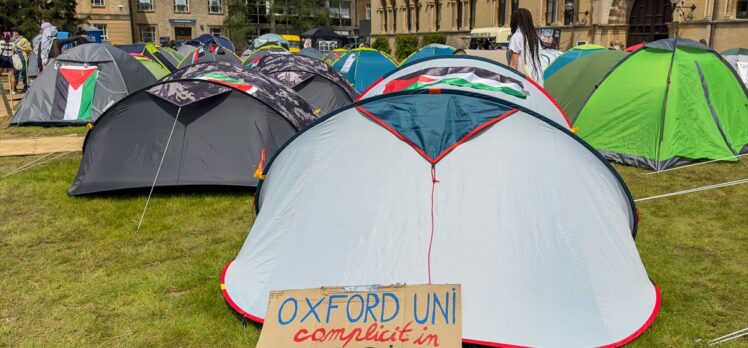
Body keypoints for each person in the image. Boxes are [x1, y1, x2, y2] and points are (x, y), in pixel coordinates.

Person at [508, 8, 544, 85]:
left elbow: (514, 64)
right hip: (537, 80)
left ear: (514, 21)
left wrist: (508, 83)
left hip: (523, 81)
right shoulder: (535, 38)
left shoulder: (516, 37)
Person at [12, 27, 32, 92]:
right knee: (15, 73)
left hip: (22, 57)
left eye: (14, 32)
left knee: (24, 73)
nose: (13, 33)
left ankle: (25, 86)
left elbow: (30, 49)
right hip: (14, 58)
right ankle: (14, 87)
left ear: (17, 33)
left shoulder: (24, 40)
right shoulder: (12, 40)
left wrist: (20, 47)